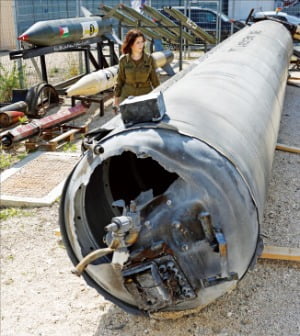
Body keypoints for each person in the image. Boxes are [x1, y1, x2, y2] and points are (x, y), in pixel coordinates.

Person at [113, 29, 160, 113]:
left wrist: (159, 98)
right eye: (138, 42)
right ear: (131, 44)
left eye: (142, 42)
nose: (141, 45)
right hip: (127, 96)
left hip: (145, 96)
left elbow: (155, 81)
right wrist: (116, 101)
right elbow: (119, 81)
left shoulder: (149, 59)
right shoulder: (123, 60)